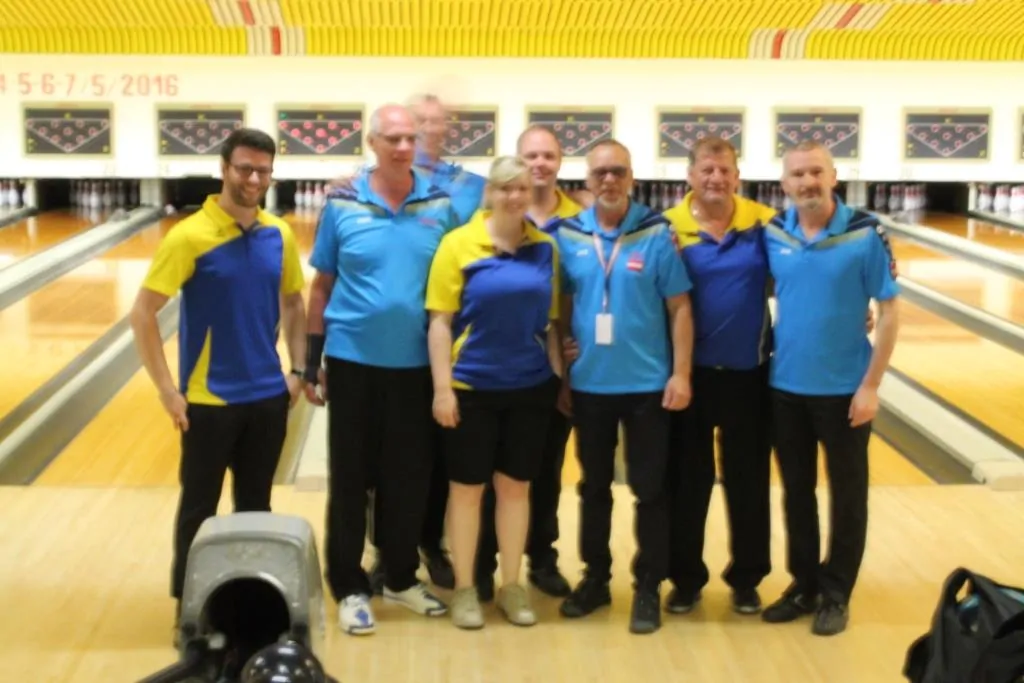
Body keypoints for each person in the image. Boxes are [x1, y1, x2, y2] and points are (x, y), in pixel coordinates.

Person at [129, 127, 306, 617]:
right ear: (224, 169)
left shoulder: (279, 234)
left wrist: (298, 371)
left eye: (263, 171)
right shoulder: (188, 236)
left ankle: (248, 607)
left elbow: (294, 303)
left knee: (256, 510)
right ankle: (190, 612)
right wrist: (167, 390)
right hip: (207, 402)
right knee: (198, 511)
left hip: (267, 399)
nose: (254, 179)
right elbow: (142, 314)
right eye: (245, 168)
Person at [303, 104, 454, 636]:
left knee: (407, 479)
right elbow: (321, 286)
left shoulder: (441, 204)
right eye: (393, 138)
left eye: (410, 138)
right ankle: (349, 586)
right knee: (351, 480)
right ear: (372, 142)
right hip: (353, 363)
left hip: (417, 366)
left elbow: (459, 281)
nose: (403, 147)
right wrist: (311, 361)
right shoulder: (342, 203)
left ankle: (399, 577)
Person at [555, 139, 695, 635]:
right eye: (600, 173)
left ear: (632, 177)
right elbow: (561, 308)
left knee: (650, 490)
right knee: (593, 487)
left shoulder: (657, 232)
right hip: (590, 385)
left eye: (618, 171)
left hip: (648, 387)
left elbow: (680, 307)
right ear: (587, 180)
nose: (609, 180)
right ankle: (595, 579)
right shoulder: (568, 234)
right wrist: (563, 372)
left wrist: (681, 374)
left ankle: (648, 585)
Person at [761, 140, 899, 636]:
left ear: (834, 176)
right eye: (798, 174)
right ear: (784, 184)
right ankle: (804, 585)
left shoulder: (865, 233)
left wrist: (871, 385)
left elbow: (889, 312)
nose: (807, 182)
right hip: (785, 386)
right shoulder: (774, 233)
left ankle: (836, 593)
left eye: (816, 172)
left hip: (845, 390)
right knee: (796, 493)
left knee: (847, 496)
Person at [425, 155, 562, 629]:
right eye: (504, 188)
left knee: (516, 488)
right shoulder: (458, 244)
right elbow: (440, 322)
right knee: (466, 491)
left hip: (529, 387)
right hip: (471, 387)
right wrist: (442, 389)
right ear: (491, 193)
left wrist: (558, 376)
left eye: (521, 188)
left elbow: (551, 322)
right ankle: (465, 588)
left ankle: (512, 585)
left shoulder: (545, 247)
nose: (514, 196)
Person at [661, 137, 777, 616]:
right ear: (690, 175)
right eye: (707, 169)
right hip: (687, 376)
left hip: (750, 375)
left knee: (749, 482)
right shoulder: (667, 227)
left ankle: (747, 578)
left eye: (724, 169)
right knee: (686, 483)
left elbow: (796, 277)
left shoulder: (764, 223)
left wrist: (854, 313)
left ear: (737, 175)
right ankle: (685, 580)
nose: (716, 177)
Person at [474, 124, 580, 601]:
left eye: (548, 156)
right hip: (489, 370)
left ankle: (542, 556)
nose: (540, 164)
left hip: (547, 367)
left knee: (545, 471)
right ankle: (484, 562)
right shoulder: (488, 217)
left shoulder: (580, 221)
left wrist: (568, 362)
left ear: (560, 162)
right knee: (490, 475)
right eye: (531, 156)